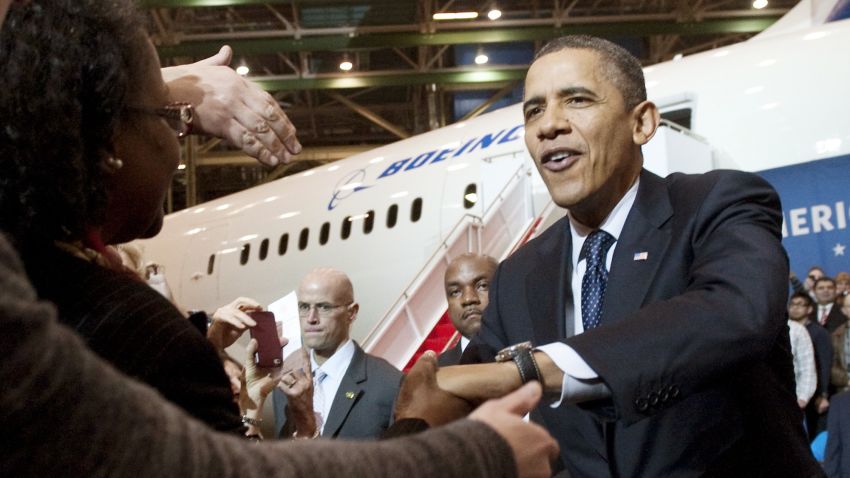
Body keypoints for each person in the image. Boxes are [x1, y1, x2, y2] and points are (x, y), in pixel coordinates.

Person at [426, 35, 819, 476]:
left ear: (642, 123)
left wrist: (534, 369)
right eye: (534, 110)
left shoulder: (717, 203)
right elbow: (467, 387)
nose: (547, 125)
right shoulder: (518, 273)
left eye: (576, 100)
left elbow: (737, 313)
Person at [0, 0, 289, 435]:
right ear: (107, 142)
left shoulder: (29, 284)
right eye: (171, 115)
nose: (178, 144)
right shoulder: (150, 345)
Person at [272, 268, 402, 439]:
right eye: (304, 307)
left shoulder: (389, 383)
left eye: (324, 307)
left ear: (351, 313)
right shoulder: (285, 386)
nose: (311, 318)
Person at [439, 253, 499, 366]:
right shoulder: (437, 372)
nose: (468, 299)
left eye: (482, 286)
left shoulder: (536, 353)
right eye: (455, 292)